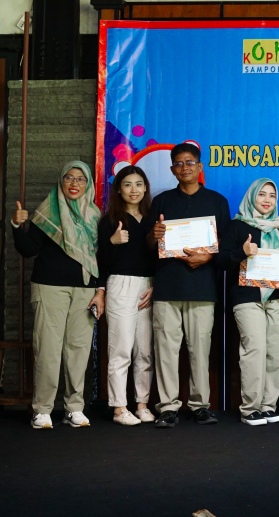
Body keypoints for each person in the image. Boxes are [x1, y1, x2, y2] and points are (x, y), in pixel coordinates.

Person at [12, 161, 104, 429]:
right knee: (48, 349)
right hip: (49, 288)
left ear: (88, 184)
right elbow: (28, 250)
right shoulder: (47, 212)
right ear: (61, 181)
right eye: (69, 178)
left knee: (79, 350)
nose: (75, 183)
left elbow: (101, 259)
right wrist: (17, 226)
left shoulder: (96, 216)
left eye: (81, 179)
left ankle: (74, 408)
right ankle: (42, 410)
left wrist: (100, 290)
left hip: (85, 290)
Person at [146, 142, 231, 428]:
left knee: (199, 350)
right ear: (172, 169)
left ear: (200, 167)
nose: (185, 167)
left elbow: (225, 245)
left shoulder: (217, 201)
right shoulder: (161, 201)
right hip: (167, 287)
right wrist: (154, 234)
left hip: (202, 288)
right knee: (166, 351)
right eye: (179, 163)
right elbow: (148, 245)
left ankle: (200, 406)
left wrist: (208, 256)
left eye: (190, 162)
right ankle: (168, 407)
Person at [223, 179, 279, 426]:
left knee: (276, 353)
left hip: (278, 297)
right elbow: (221, 261)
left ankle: (268, 406)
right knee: (255, 351)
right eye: (261, 194)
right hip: (247, 296)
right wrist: (242, 252)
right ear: (252, 197)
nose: (267, 200)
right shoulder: (236, 226)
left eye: (272, 195)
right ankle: (250, 408)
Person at [97, 165, 156, 426]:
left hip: (148, 287)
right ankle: (119, 408)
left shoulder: (153, 220)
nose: (134, 190)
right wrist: (112, 242)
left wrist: (156, 285)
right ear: (119, 189)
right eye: (128, 184)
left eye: (139, 184)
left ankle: (142, 404)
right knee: (121, 349)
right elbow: (99, 261)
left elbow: (160, 257)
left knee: (145, 351)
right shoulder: (109, 220)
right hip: (120, 284)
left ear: (145, 188)